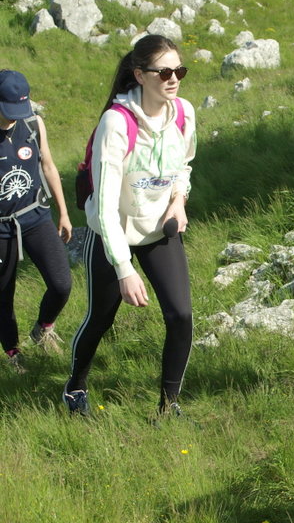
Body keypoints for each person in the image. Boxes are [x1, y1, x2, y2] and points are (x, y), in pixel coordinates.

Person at [63, 35, 196, 417]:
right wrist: (124, 269)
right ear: (139, 75)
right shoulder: (116, 123)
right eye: (164, 72)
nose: (174, 79)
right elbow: (105, 207)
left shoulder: (183, 113)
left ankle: (169, 406)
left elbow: (184, 165)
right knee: (101, 318)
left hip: (159, 228)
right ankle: (75, 387)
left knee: (181, 316)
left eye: (179, 70)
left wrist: (178, 201)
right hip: (112, 233)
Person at [0, 70, 73, 373]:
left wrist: (63, 212)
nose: (14, 117)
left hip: (35, 215)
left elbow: (49, 166)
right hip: (1, 226)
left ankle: (43, 329)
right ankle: (12, 352)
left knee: (61, 284)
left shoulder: (33, 124)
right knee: (3, 295)